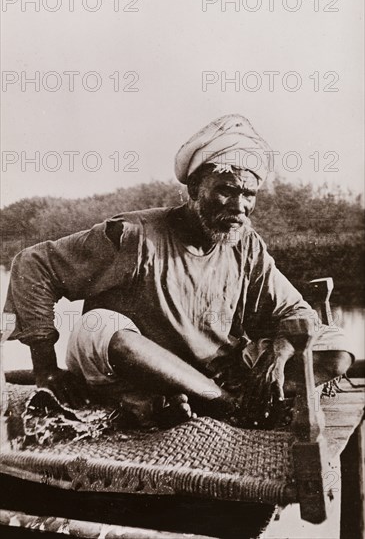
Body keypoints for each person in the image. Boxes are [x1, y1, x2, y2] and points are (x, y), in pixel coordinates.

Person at [3, 115, 353, 427]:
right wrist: (46, 369)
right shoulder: (134, 236)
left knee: (336, 349)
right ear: (194, 189)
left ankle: (209, 395)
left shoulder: (246, 245)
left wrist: (277, 356)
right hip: (123, 367)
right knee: (100, 327)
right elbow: (32, 265)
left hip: (210, 373)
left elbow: (294, 312)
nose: (240, 206)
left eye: (249, 194)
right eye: (227, 191)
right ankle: (225, 405)